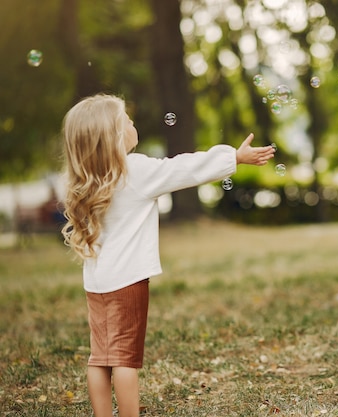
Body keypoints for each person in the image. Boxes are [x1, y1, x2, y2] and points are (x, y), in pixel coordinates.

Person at [61, 93, 275, 417]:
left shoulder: (87, 181)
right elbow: (185, 168)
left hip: (96, 284)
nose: (133, 124)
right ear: (116, 137)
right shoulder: (134, 171)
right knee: (125, 359)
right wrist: (234, 157)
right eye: (127, 121)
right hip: (128, 283)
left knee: (100, 358)